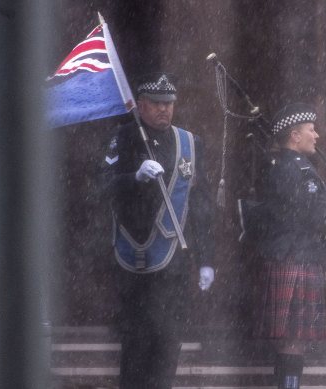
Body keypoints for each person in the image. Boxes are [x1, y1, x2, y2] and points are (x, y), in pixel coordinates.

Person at [101, 72, 215, 389]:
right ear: (141, 104)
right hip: (132, 255)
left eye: (169, 103)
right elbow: (99, 188)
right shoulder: (123, 137)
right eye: (156, 104)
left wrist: (206, 258)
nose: (164, 109)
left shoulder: (191, 143)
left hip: (173, 260)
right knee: (136, 342)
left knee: (168, 341)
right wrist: (133, 177)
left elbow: (201, 206)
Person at [252, 103, 326, 389]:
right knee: (294, 340)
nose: (317, 135)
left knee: (290, 341)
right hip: (297, 258)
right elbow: (316, 215)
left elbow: (300, 212)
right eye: (312, 130)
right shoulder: (299, 169)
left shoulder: (282, 166)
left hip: (288, 255)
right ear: (295, 135)